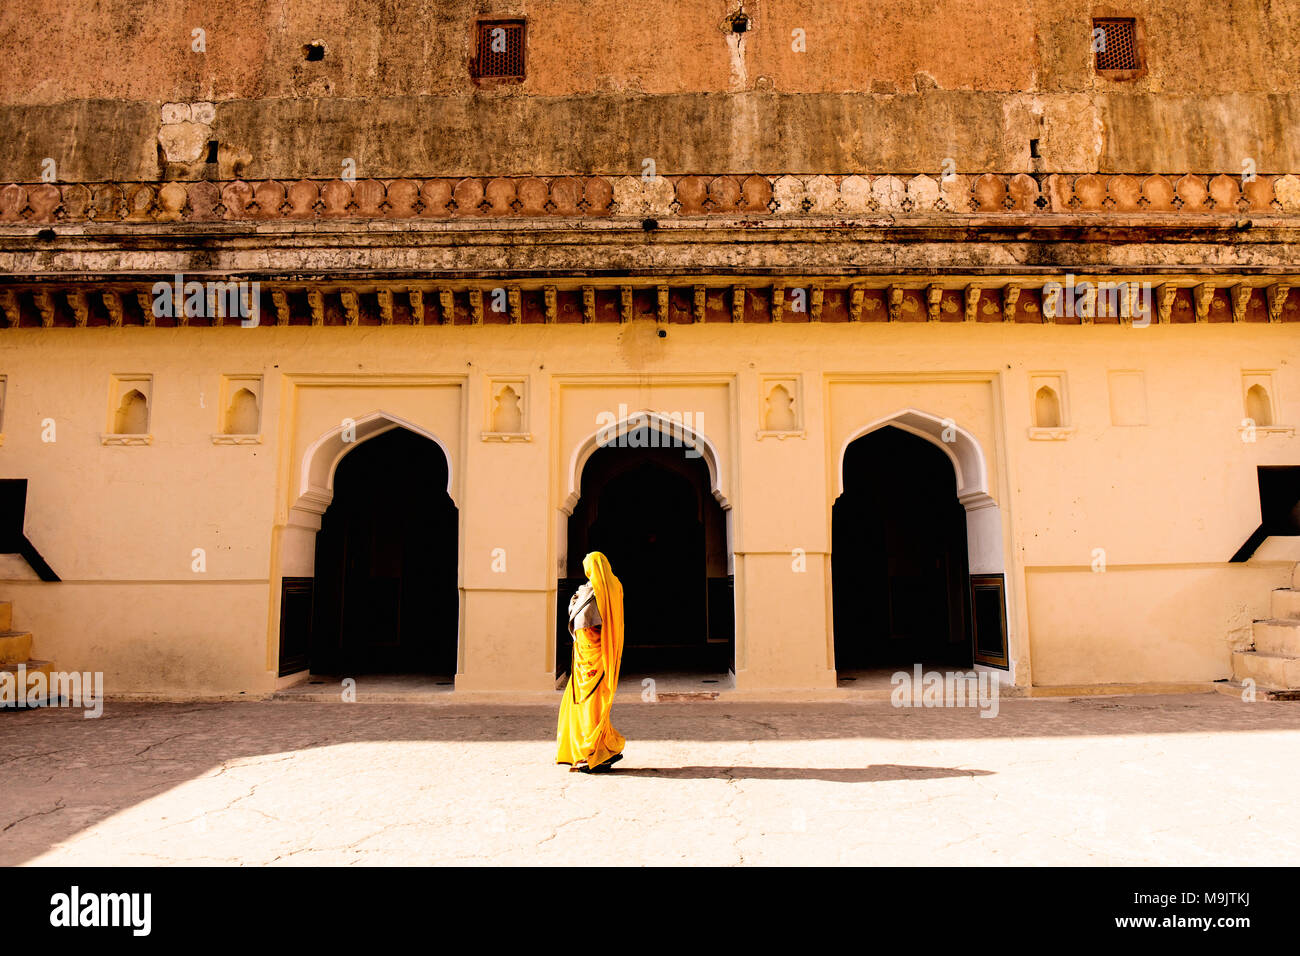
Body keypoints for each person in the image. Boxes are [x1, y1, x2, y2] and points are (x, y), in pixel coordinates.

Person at [556, 551, 626, 773]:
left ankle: (592, 753)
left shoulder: (604, 590)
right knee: (588, 706)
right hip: (587, 660)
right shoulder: (603, 589)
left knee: (591, 706)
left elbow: (591, 625)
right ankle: (598, 749)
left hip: (593, 660)